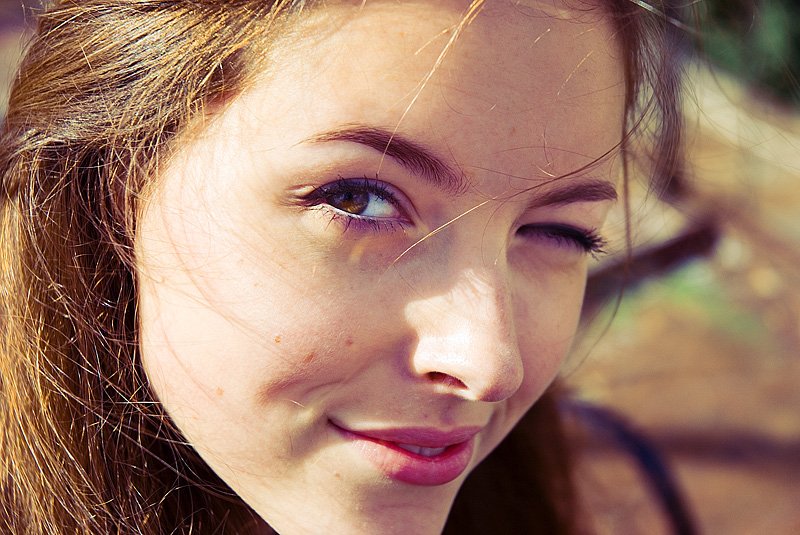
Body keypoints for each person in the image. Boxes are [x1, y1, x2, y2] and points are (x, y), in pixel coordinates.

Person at [0, 0, 686, 533]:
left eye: (561, 231)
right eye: (359, 199)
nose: (489, 363)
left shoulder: (581, 492)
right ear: (114, 186)